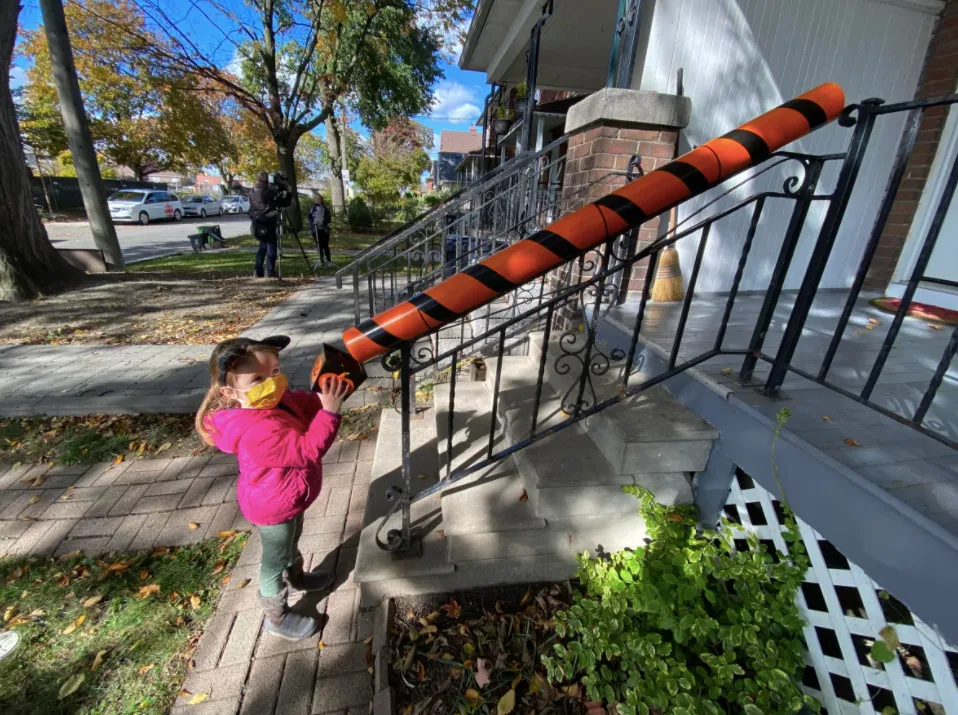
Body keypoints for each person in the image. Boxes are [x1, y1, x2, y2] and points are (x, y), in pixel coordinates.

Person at [195, 335, 351, 640]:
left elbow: (303, 404)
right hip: (273, 506)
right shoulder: (255, 429)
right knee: (274, 560)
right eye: (258, 379)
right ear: (230, 391)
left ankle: (298, 577)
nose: (273, 382)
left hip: (290, 496)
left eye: (275, 372)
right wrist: (329, 413)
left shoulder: (275, 402)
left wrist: (323, 394)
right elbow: (306, 450)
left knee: (291, 542)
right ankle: (276, 617)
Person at [248, 171, 293, 278]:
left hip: (257, 223)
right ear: (267, 180)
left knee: (262, 247)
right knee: (271, 247)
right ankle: (269, 271)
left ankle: (258, 271)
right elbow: (284, 202)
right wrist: (288, 191)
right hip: (268, 222)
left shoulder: (251, 191)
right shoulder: (267, 192)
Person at [308, 194, 332, 265]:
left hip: (324, 230)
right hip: (315, 230)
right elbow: (309, 218)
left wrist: (323, 222)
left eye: (318, 198)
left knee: (325, 245)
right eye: (315, 199)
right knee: (319, 245)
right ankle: (321, 261)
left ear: (321, 200)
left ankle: (328, 261)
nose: (317, 200)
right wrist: (313, 222)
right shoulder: (312, 209)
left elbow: (328, 218)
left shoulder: (325, 209)